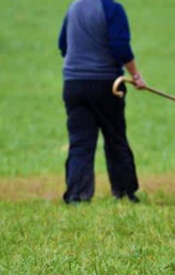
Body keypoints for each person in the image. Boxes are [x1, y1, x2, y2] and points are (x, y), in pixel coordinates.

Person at [58, 0, 146, 204]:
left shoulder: (74, 8)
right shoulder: (112, 9)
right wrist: (136, 76)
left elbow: (63, 46)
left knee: (80, 142)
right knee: (115, 138)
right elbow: (120, 48)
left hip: (74, 85)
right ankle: (124, 193)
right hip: (106, 84)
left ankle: (77, 196)